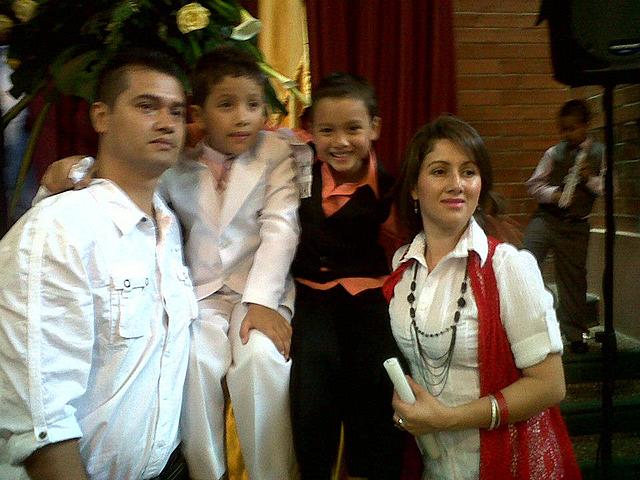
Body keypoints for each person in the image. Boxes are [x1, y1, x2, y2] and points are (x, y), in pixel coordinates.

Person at [38, 45, 307, 480]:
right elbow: (124, 178)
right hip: (202, 292)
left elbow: (281, 227)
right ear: (200, 115)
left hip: (259, 288)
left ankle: (270, 473)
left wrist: (261, 301)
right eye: (226, 105)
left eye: (254, 105)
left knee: (261, 359)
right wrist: (73, 170)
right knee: (194, 360)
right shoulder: (176, 161)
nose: (243, 117)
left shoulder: (275, 153)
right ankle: (206, 472)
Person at [0, 49, 196, 479]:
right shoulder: (58, 231)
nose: (167, 123)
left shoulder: (167, 225)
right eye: (147, 106)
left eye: (177, 111)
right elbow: (41, 425)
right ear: (101, 117)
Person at [385, 115, 580, 479]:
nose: (456, 184)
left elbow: (550, 385)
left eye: (469, 172)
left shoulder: (508, 266)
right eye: (440, 171)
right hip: (435, 465)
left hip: (501, 462)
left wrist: (447, 419)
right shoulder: (402, 266)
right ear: (413, 187)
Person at [289, 72, 405, 479]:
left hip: (369, 296)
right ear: (311, 131)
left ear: (374, 127)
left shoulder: (390, 188)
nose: (340, 141)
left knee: (377, 375)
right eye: (327, 130)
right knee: (312, 382)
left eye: (353, 129)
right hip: (309, 296)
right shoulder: (296, 171)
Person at [523, 99, 604, 354]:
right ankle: (535, 318)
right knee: (524, 262)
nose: (567, 134)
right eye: (563, 129)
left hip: (576, 226)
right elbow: (534, 185)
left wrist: (589, 178)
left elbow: (608, 188)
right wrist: (553, 194)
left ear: (586, 125)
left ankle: (575, 334)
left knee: (573, 280)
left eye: (572, 128)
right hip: (546, 219)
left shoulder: (600, 153)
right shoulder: (553, 153)